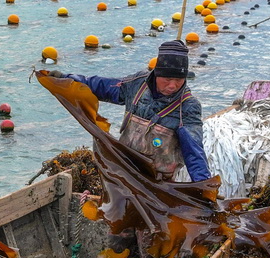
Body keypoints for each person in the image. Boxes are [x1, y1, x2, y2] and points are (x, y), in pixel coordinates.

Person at [49, 40, 211, 182]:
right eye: (167, 79)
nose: (172, 86)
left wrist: (204, 188)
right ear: (156, 74)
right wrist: (66, 79)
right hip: (123, 172)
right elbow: (101, 86)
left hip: (158, 182)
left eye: (179, 80)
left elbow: (194, 153)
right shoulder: (138, 84)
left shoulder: (188, 107)